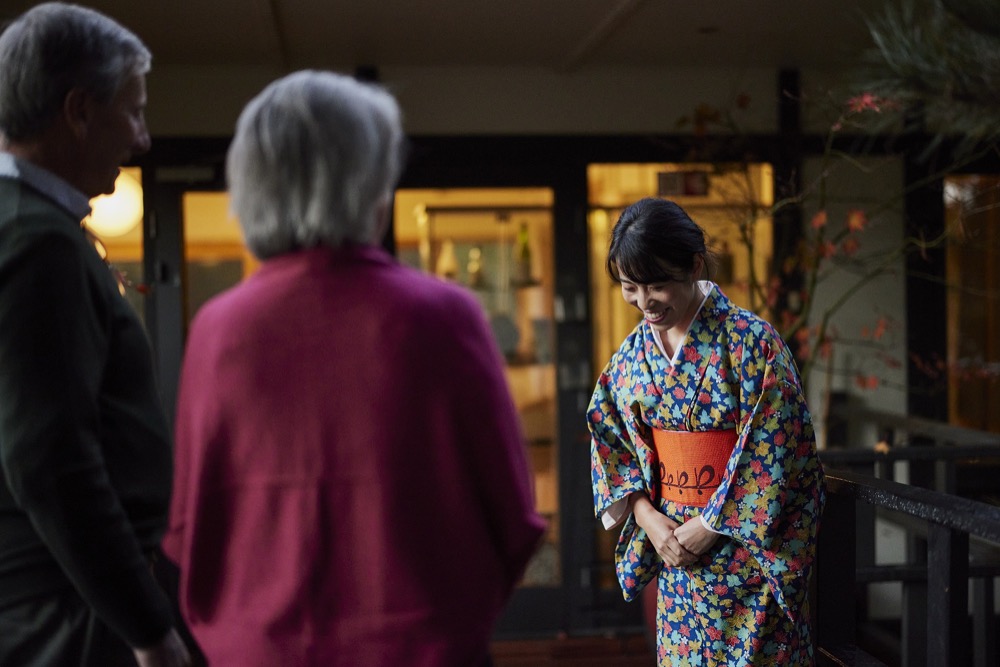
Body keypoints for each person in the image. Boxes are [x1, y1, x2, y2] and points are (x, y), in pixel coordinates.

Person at [162, 69, 546, 667]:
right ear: (369, 181)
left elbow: (190, 527)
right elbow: (514, 520)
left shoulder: (217, 330)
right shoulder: (445, 316)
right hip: (423, 648)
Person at [0, 3, 192, 666]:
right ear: (79, 110)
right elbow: (49, 459)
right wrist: (147, 626)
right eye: (133, 111)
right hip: (70, 610)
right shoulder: (36, 242)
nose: (142, 138)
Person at [588, 197, 825, 666]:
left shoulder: (751, 342)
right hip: (674, 554)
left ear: (694, 265)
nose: (644, 303)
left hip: (747, 557)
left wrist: (712, 523)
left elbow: (779, 445)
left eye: (657, 285)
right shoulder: (631, 356)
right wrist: (648, 518)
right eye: (630, 287)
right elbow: (609, 436)